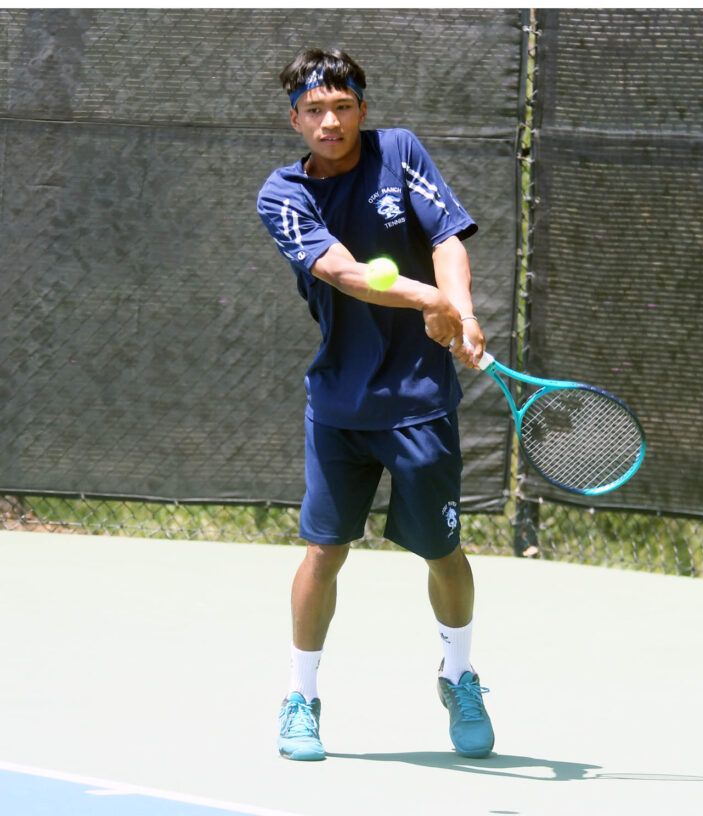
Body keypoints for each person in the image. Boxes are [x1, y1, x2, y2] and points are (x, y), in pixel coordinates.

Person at [256, 48, 494, 762]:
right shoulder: (282, 195)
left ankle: (459, 676)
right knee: (324, 550)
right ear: (294, 118)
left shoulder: (400, 151)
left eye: (343, 107)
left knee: (443, 551)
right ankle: (302, 695)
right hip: (339, 403)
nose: (330, 121)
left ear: (362, 107)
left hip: (422, 402)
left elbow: (446, 233)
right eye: (315, 110)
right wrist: (427, 298)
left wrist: (465, 311)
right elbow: (342, 271)